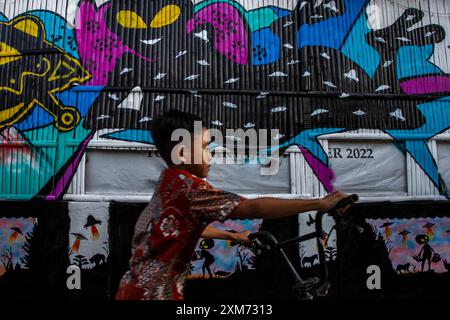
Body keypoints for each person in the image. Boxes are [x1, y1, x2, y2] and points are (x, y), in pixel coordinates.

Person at [116, 110, 349, 300]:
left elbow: (178, 228)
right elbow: (253, 208)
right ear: (183, 153)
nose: (211, 154)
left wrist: (234, 237)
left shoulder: (168, 183)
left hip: (133, 289)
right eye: (205, 147)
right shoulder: (190, 189)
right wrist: (320, 203)